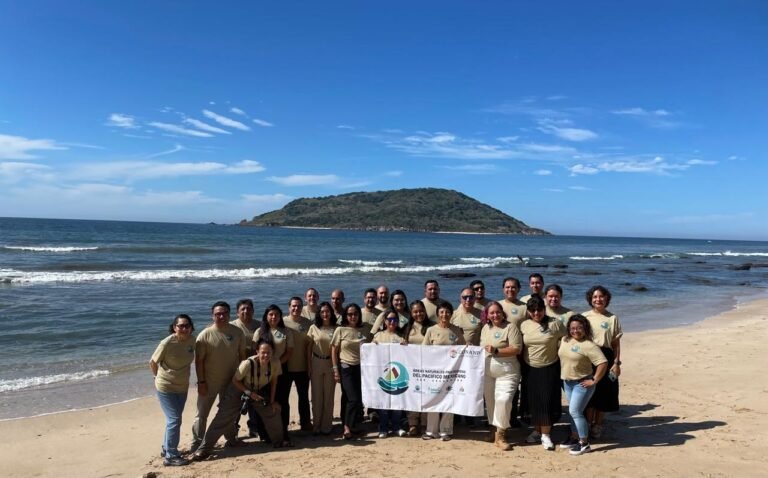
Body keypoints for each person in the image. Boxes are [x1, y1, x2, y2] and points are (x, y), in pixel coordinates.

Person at [192, 340, 288, 460]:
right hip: (238, 389)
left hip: (257, 391)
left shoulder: (275, 363)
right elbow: (235, 380)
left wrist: (272, 401)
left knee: (273, 411)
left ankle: (279, 441)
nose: (266, 355)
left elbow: (274, 381)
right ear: (257, 352)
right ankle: (203, 449)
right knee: (223, 418)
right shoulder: (247, 363)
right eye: (263, 352)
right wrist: (248, 393)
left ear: (272, 352)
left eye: (269, 352)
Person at [191, 301, 246, 452]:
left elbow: (242, 357)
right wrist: (201, 382)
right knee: (202, 414)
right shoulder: (204, 335)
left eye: (224, 313)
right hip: (209, 382)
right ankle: (197, 443)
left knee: (227, 413)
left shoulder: (237, 332)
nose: (221, 316)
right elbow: (199, 361)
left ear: (229, 315)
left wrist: (242, 378)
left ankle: (231, 439)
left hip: (231, 381)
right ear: (212, 316)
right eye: (217, 314)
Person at [520, 295, 566, 451]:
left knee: (546, 401)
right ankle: (537, 430)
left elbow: (567, 340)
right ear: (528, 311)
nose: (536, 313)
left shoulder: (555, 324)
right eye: (532, 310)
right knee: (533, 401)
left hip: (549, 367)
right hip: (529, 368)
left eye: (539, 310)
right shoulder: (524, 325)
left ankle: (546, 435)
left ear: (544, 309)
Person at [150, 314, 195, 467]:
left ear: (191, 327)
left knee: (173, 420)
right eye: (180, 326)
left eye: (187, 326)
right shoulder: (167, 342)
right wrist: (157, 377)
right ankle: (171, 456)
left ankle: (166, 447)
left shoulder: (192, 341)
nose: (184, 328)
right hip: (165, 386)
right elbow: (153, 362)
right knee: (174, 419)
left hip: (182, 386)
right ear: (174, 327)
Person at [559, 315, 608, 456]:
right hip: (567, 382)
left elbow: (602, 363)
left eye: (580, 328)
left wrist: (594, 380)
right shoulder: (565, 340)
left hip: (582, 384)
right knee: (573, 411)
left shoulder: (589, 345)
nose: (576, 331)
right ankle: (574, 437)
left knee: (575, 411)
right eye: (573, 328)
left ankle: (584, 443)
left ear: (585, 328)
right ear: (569, 328)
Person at [479, 302, 522, 451]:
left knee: (503, 400)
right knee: (491, 402)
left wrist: (497, 351)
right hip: (488, 371)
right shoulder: (485, 328)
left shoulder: (511, 327)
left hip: (508, 371)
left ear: (503, 313)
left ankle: (501, 434)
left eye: (498, 312)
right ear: (487, 315)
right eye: (492, 313)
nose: (495, 315)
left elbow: (517, 348)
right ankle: (493, 430)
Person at [421, 301, 466, 441]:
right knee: (433, 399)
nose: (444, 315)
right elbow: (423, 351)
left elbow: (463, 348)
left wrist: (468, 347)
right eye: (441, 312)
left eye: (447, 312)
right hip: (434, 372)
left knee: (448, 400)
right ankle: (431, 431)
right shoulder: (431, 330)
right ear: (437, 314)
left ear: (451, 314)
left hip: (451, 373)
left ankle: (445, 431)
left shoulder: (457, 330)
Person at [583, 285, 623, 440]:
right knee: (589, 393)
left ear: (607, 299)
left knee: (604, 393)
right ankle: (586, 423)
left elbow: (615, 344)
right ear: (590, 300)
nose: (598, 299)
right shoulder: (584, 317)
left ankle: (597, 425)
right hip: (588, 356)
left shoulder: (612, 318)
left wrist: (617, 363)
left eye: (601, 296)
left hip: (606, 356)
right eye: (594, 297)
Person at [253, 305, 294, 443]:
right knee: (263, 402)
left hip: (282, 371)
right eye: (271, 314)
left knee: (282, 402)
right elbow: (255, 352)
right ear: (266, 316)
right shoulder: (260, 331)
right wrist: (267, 366)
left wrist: (275, 365)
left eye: (276, 314)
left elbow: (288, 352)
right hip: (263, 372)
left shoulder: (286, 331)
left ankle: (284, 431)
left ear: (280, 317)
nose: (274, 317)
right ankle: (264, 433)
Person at [331, 303, 369, 439]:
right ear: (345, 316)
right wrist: (335, 369)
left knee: (352, 399)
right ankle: (347, 427)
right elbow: (334, 351)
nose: (353, 316)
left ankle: (351, 426)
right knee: (353, 399)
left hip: (361, 368)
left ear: (359, 315)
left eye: (355, 314)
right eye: (350, 314)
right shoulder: (340, 330)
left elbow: (375, 340)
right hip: (345, 367)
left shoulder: (365, 329)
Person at [372, 310, 408, 438]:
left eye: (395, 320)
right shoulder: (378, 336)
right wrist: (372, 345)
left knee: (397, 402)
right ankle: (383, 428)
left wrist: (405, 346)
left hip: (397, 373)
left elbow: (407, 356)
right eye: (390, 319)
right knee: (384, 403)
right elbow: (370, 354)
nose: (392, 322)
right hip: (383, 374)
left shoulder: (400, 337)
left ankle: (397, 427)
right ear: (385, 321)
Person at [231, 299, 261, 438]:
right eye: (242, 309)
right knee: (237, 401)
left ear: (253, 311)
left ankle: (253, 427)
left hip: (255, 369)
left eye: (248, 309)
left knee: (253, 399)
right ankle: (234, 428)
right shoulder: (232, 326)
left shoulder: (259, 326)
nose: (246, 311)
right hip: (237, 369)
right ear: (237, 312)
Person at [306, 302, 337, 435]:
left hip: (331, 363)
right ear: (319, 313)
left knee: (329, 396)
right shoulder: (313, 328)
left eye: (327, 311)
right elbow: (308, 349)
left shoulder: (336, 328)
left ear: (331, 313)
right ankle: (316, 425)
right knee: (316, 396)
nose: (325, 314)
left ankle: (326, 426)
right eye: (322, 312)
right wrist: (309, 366)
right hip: (316, 362)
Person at [284, 296, 313, 432]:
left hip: (303, 366)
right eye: (293, 306)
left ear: (302, 307)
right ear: (289, 307)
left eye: (299, 306)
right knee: (284, 399)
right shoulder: (282, 322)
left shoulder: (308, 323)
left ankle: (306, 423)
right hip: (285, 367)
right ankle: (284, 424)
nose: (296, 308)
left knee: (303, 398)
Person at [405, 300, 432, 436]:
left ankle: (425, 423)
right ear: (411, 313)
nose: (418, 314)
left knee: (427, 395)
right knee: (413, 395)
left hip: (428, 367)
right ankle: (413, 423)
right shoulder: (407, 327)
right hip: (412, 367)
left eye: (421, 311)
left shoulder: (432, 326)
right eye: (415, 311)